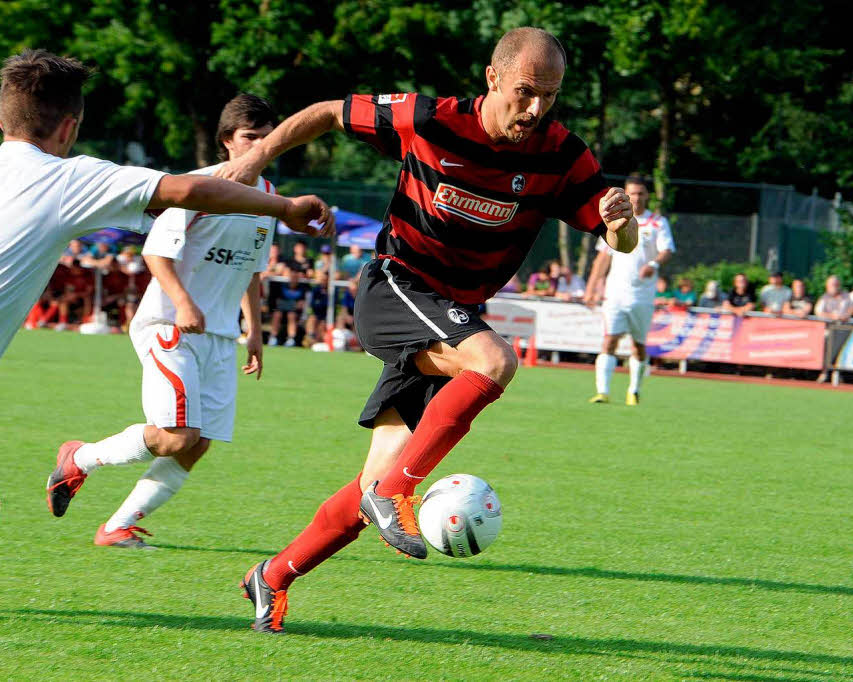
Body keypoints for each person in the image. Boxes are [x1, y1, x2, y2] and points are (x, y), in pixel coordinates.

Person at [0, 49, 331, 620]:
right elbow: (187, 191)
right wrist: (284, 205)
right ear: (71, 125)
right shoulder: (67, 178)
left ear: (2, 117)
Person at [220, 26, 637, 633]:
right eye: (525, 92)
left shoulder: (561, 154)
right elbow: (325, 113)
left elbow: (616, 238)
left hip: (445, 321)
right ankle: (398, 493)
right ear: (493, 77)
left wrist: (620, 221)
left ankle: (273, 576)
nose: (537, 108)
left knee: (369, 483)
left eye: (550, 95)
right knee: (494, 363)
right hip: (398, 286)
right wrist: (253, 160)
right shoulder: (429, 118)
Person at [46, 93, 292, 547]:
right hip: (170, 326)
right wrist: (183, 303)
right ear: (227, 142)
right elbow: (156, 254)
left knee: (197, 445)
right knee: (178, 436)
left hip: (219, 336)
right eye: (250, 138)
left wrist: (254, 330)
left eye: (267, 139)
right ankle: (80, 458)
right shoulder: (196, 187)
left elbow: (250, 268)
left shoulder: (270, 197)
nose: (260, 146)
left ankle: (117, 526)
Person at [585, 174, 674, 406]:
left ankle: (634, 390)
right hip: (615, 293)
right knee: (609, 341)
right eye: (631, 193)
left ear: (647, 195)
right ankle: (602, 391)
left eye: (640, 193)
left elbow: (667, 250)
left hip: (642, 295)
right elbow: (603, 257)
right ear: (625, 194)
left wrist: (653, 264)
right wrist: (592, 287)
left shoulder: (657, 222)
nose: (636, 197)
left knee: (638, 345)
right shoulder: (614, 219)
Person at [268, 264, 310, 347]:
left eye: (296, 274)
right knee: (277, 314)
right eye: (292, 273)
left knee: (291, 315)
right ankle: (273, 337)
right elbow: (278, 302)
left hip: (296, 313)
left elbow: (301, 305)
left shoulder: (303, 287)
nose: (294, 276)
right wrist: (292, 304)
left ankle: (291, 339)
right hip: (281, 310)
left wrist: (290, 305)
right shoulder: (281, 285)